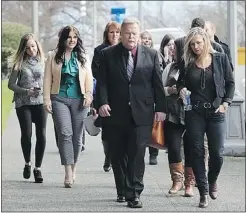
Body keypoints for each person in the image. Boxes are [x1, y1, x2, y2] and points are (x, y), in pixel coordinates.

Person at [96, 17, 166, 208]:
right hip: (115, 113)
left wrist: (161, 108)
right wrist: (102, 103)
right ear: (121, 34)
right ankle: (122, 189)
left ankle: (134, 192)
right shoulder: (108, 54)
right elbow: (102, 82)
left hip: (142, 112)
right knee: (118, 155)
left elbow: (157, 84)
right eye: (127, 33)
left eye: (134, 33)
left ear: (139, 33)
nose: (131, 37)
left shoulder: (151, 54)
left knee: (137, 153)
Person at [177, 27, 235, 208]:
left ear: (205, 41)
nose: (196, 47)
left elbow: (230, 83)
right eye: (192, 44)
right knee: (197, 152)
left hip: (216, 112)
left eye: (199, 43)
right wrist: (181, 90)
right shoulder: (186, 62)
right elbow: (180, 83)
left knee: (217, 153)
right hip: (194, 112)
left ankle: (212, 181)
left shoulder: (220, 58)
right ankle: (203, 192)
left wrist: (225, 103)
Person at [43, 25, 93, 188]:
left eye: (75, 37)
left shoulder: (83, 56)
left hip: (80, 100)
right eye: (69, 37)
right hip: (59, 98)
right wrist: (47, 100)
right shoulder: (52, 56)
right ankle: (68, 172)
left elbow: (89, 79)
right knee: (65, 134)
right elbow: (47, 80)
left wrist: (89, 95)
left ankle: (74, 166)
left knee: (77, 137)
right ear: (63, 39)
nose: (72, 40)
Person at [8, 33, 47, 183]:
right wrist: (26, 91)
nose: (31, 49)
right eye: (28, 47)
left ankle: (38, 168)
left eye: (33, 46)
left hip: (41, 102)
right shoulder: (19, 64)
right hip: (23, 103)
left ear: (37, 45)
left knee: (42, 134)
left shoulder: (44, 61)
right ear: (23, 49)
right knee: (27, 134)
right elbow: (11, 84)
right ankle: (27, 163)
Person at [162, 38, 195, 197]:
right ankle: (177, 181)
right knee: (174, 147)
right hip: (173, 113)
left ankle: (189, 183)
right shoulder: (170, 67)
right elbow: (161, 89)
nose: (171, 50)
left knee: (190, 147)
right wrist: (172, 90)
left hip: (191, 113)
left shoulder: (194, 66)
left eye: (174, 48)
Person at [91, 21, 121, 172]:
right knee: (107, 131)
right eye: (111, 32)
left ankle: (116, 156)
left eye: (117, 32)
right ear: (106, 34)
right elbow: (96, 73)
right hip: (104, 95)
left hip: (120, 96)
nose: (114, 35)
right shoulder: (99, 50)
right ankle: (108, 155)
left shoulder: (124, 50)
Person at [140, 30, 160, 165]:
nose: (146, 40)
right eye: (144, 38)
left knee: (153, 127)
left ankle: (153, 153)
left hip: (152, 97)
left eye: (148, 39)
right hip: (140, 98)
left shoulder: (154, 55)